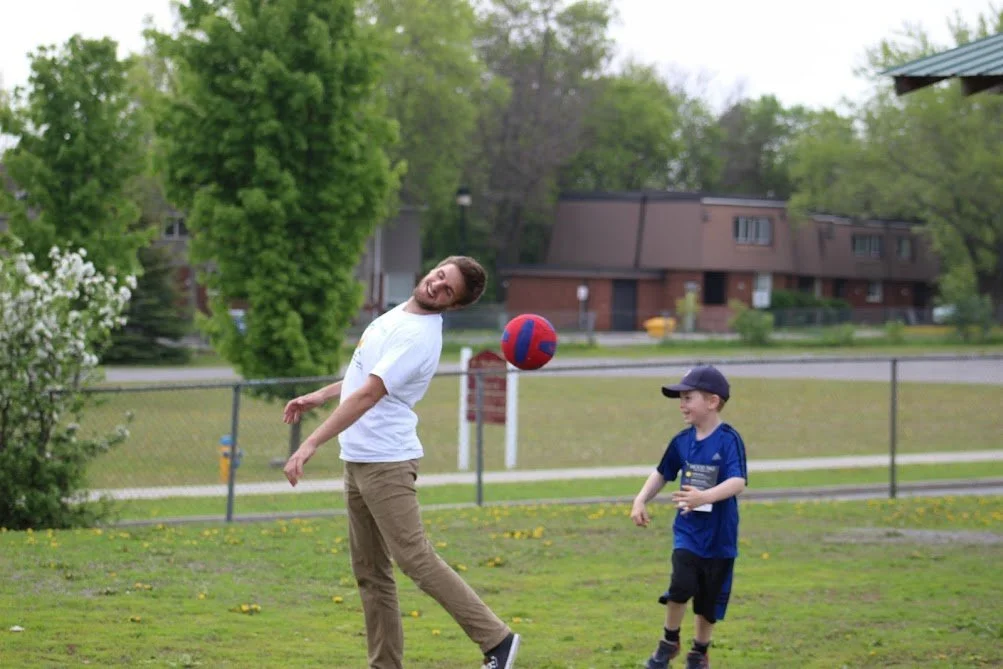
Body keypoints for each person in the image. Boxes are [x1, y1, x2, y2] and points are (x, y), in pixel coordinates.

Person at [282, 256, 520, 669]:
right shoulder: (401, 312)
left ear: (455, 304)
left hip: (386, 462)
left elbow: (368, 394)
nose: (437, 286)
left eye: (448, 290)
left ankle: (497, 640)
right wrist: (320, 395)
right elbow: (365, 375)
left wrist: (310, 443)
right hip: (358, 458)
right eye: (440, 276)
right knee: (370, 573)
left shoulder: (420, 335)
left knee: (415, 559)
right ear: (435, 268)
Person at [630, 365, 748, 669]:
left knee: (708, 602)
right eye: (680, 398)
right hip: (688, 532)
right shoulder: (681, 441)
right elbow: (662, 473)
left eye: (687, 398)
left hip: (720, 536)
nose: (682, 405)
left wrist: (703, 497)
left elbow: (738, 482)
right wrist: (641, 499)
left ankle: (699, 652)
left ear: (712, 401)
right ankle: (669, 642)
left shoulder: (728, 440)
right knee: (681, 585)